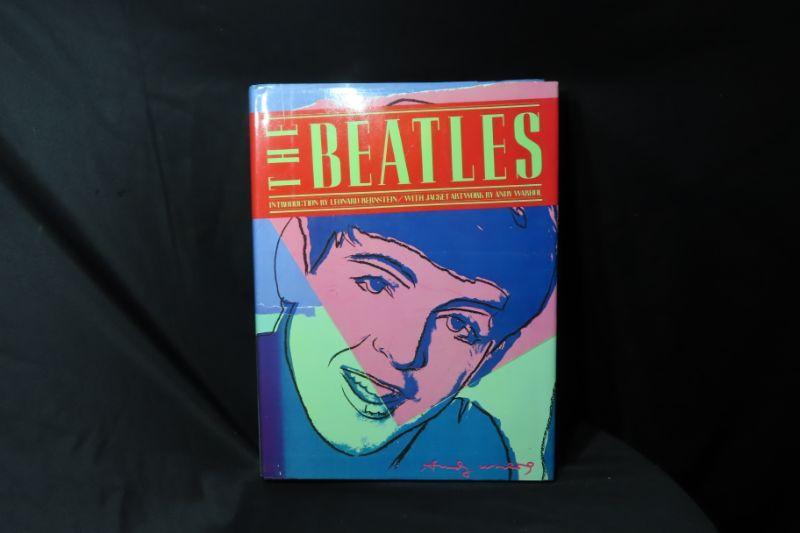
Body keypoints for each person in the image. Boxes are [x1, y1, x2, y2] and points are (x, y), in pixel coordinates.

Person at [257, 207, 557, 479]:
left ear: (489, 359)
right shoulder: (248, 389)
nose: (404, 354)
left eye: (459, 324)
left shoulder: (476, 444)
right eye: (375, 284)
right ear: (297, 263)